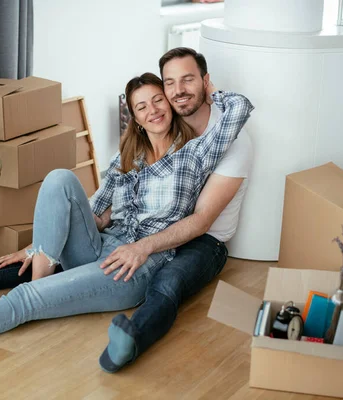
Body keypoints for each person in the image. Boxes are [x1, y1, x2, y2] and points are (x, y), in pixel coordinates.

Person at [0, 72, 254, 350]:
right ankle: (40, 270)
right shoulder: (128, 156)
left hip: (133, 265)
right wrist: (37, 248)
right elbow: (93, 213)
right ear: (133, 115)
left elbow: (238, 110)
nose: (153, 111)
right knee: (61, 177)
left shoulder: (195, 152)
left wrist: (208, 90)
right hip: (102, 243)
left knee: (26, 302)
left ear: (170, 103)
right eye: (141, 106)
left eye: (158, 100)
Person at [98, 47, 254, 373]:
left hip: (204, 240)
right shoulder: (165, 133)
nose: (179, 90)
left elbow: (201, 221)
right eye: (170, 83)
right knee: (57, 257)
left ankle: (132, 338)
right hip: (162, 231)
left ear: (205, 82)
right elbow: (116, 194)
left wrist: (143, 245)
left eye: (188, 80)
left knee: (168, 282)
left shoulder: (231, 140)